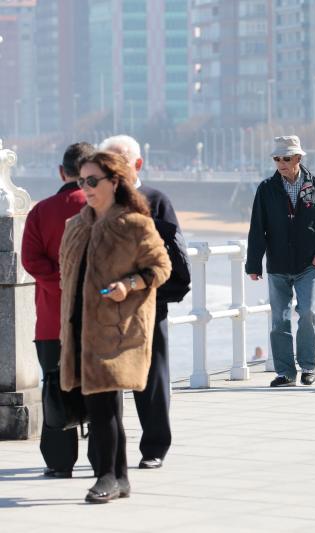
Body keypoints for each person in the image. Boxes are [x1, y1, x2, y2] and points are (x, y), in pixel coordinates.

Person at [59, 151, 171, 502]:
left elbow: (161, 267)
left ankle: (106, 476)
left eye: (93, 181)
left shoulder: (134, 224)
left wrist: (130, 285)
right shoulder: (76, 225)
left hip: (115, 328)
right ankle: (119, 477)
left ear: (115, 182)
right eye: (81, 181)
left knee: (102, 405)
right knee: (102, 406)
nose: (86, 188)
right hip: (78, 328)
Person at [99, 134, 191, 470]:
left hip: (149, 302)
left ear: (137, 164)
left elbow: (174, 256)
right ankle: (109, 450)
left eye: (118, 162)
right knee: (107, 380)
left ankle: (154, 447)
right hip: (106, 307)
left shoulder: (156, 200)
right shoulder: (97, 200)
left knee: (152, 378)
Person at [246, 135, 315, 387]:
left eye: (286, 158)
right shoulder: (266, 189)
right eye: (277, 158)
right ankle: (286, 373)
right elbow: (257, 228)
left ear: (298, 158)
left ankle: (308, 366)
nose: (281, 163)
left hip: (308, 264)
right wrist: (253, 264)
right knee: (279, 319)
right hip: (277, 265)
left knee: (309, 313)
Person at [21, 142, 93, 478]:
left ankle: (59, 461)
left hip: (51, 319)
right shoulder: (101, 209)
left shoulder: (40, 211)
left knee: (54, 386)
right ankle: (103, 459)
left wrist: (60, 281)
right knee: (100, 388)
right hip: (96, 318)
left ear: (61, 171)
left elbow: (31, 261)